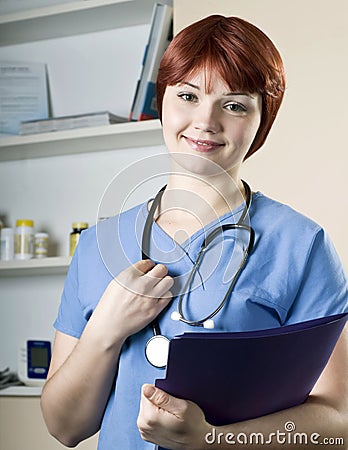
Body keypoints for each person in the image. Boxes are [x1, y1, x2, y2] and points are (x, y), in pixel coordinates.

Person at [41, 15, 347, 450]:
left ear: (263, 119)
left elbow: (338, 421)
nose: (206, 121)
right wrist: (105, 330)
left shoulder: (301, 246)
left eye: (235, 104)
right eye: (187, 95)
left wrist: (212, 440)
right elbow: (64, 427)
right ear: (162, 101)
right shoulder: (97, 245)